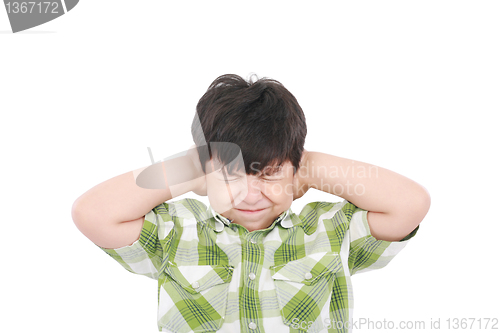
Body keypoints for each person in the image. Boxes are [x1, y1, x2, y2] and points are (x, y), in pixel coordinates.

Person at [71, 74, 430, 333]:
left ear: (296, 172)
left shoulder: (328, 231)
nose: (250, 194)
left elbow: (409, 204)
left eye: (269, 175)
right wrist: (192, 168)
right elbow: (93, 213)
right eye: (230, 177)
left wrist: (307, 166)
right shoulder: (176, 232)